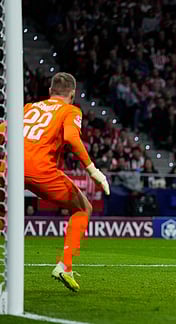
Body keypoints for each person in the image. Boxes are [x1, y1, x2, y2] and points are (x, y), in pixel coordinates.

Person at [24, 72, 110, 292]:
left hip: (12, 165)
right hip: (40, 170)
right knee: (83, 207)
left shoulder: (29, 107)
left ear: (50, 91)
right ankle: (65, 266)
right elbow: (72, 138)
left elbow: (4, 129)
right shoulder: (70, 110)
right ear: (72, 94)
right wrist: (94, 171)